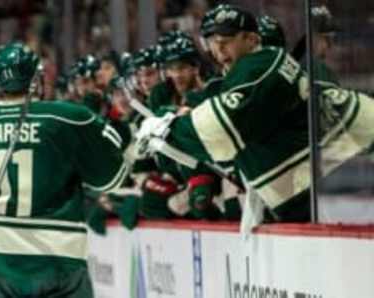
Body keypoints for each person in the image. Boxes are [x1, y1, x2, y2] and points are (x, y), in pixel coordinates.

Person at [135, 5, 374, 222]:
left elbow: (226, 124)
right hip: (326, 173)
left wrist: (170, 129)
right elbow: (225, 100)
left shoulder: (261, 66)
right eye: (212, 42)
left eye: (225, 41)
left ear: (251, 39)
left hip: (330, 178)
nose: (218, 50)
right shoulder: (246, 72)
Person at [0, 42, 128, 298]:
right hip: (62, 262)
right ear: (36, 78)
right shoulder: (70, 118)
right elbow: (111, 179)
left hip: (0, 265)